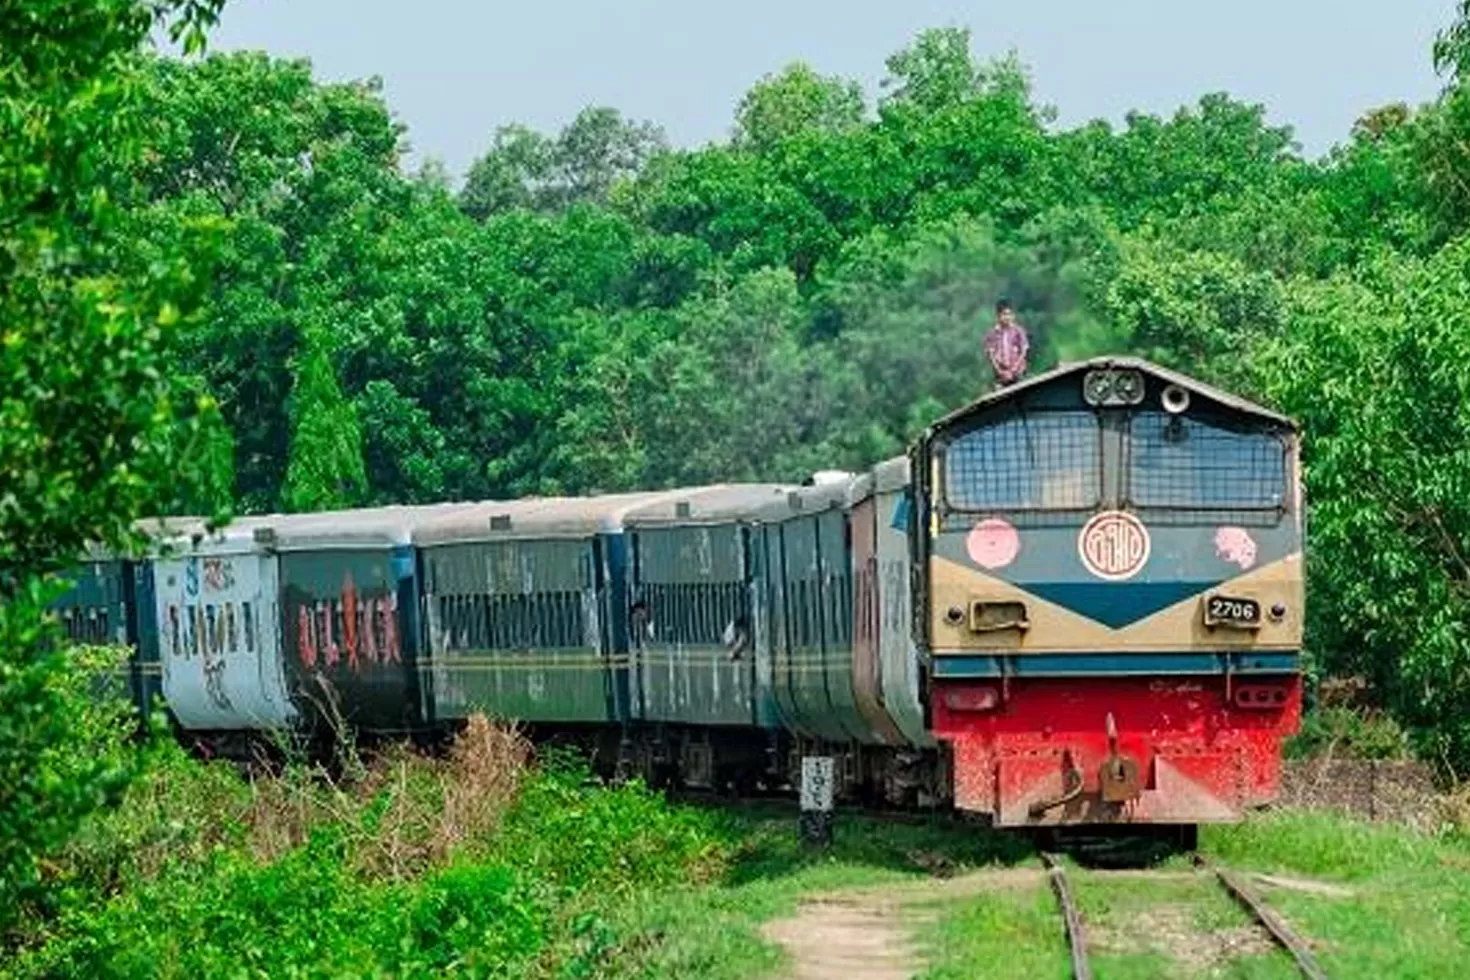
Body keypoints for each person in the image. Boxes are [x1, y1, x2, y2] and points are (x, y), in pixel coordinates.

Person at [984, 298, 1030, 387]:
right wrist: (1001, 372)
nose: (1007, 317)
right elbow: (991, 356)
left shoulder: (1018, 331)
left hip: (1018, 373)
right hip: (1001, 375)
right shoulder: (992, 334)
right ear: (998, 316)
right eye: (1004, 314)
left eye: (1010, 314)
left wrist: (1013, 370)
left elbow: (1023, 352)